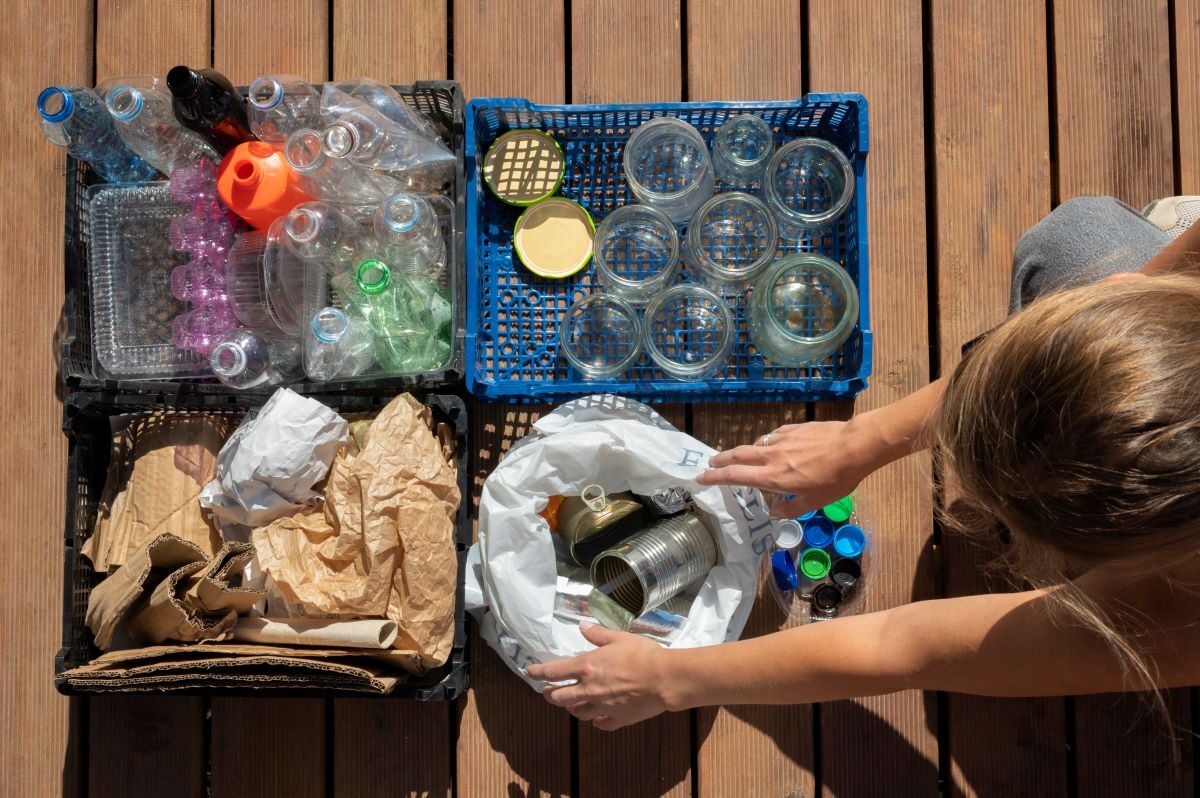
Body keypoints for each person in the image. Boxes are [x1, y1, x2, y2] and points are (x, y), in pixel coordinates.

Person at [525, 196, 1200, 731]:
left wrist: (671, 680)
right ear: (1125, 294)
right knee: (1075, 236)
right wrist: (864, 440)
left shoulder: (1180, 616)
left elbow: (904, 647)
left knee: (1077, 244)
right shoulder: (1142, 291)